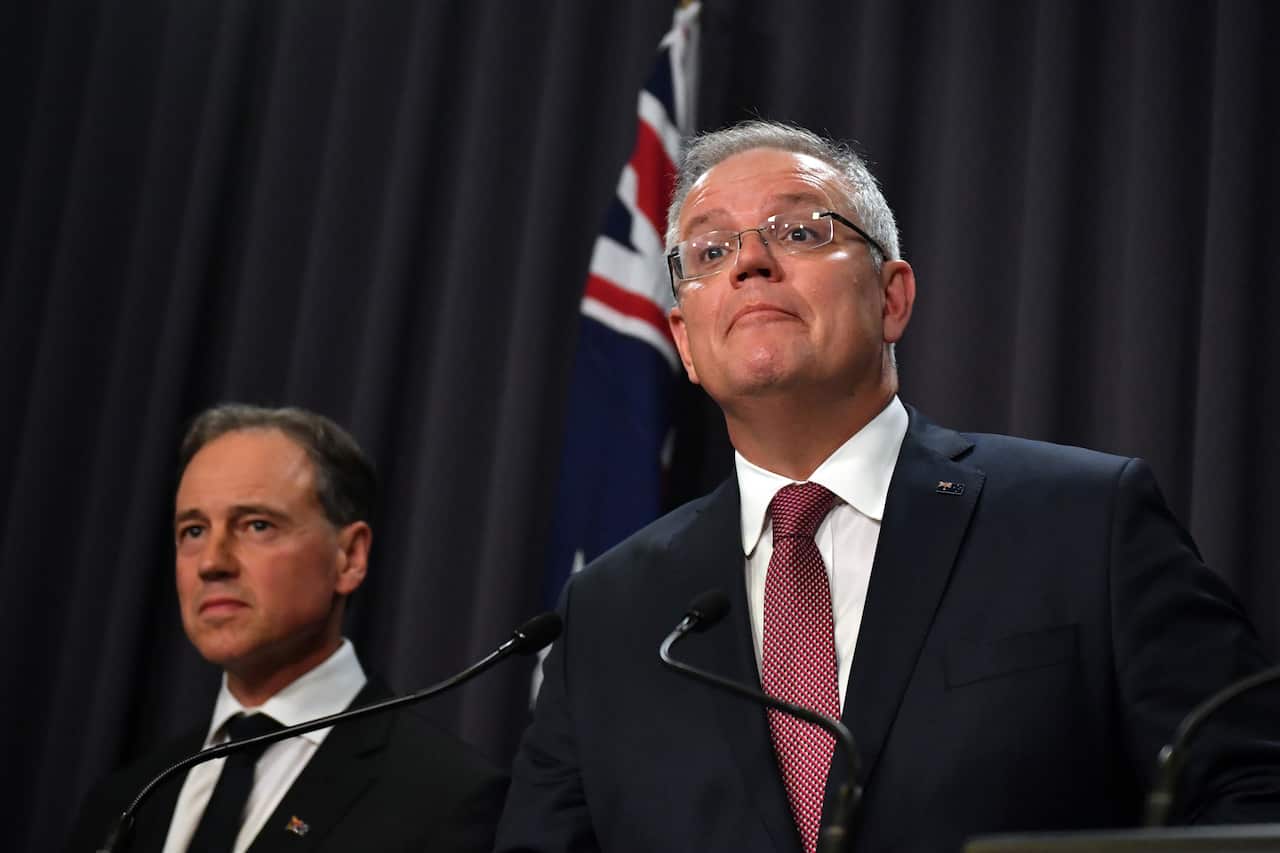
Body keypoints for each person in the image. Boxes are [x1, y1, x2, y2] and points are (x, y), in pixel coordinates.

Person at [495, 120, 1280, 852]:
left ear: (892, 296)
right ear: (685, 344)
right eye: (709, 252)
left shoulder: (1085, 520)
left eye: (799, 231)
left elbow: (1250, 794)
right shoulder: (608, 609)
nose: (749, 262)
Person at [67, 404, 506, 852]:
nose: (212, 563)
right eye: (194, 531)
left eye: (257, 525)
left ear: (350, 557)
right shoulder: (124, 800)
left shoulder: (447, 797)